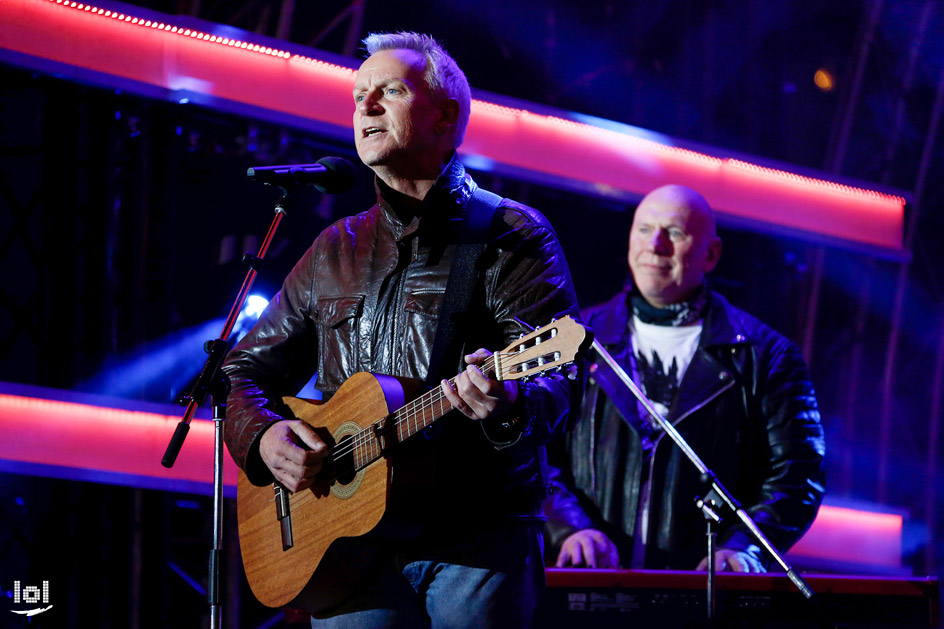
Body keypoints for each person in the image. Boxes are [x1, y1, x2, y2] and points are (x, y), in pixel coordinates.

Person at [222, 32, 580, 627]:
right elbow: (243, 373)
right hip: (346, 544)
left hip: (474, 538)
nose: (364, 108)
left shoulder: (512, 234)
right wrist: (262, 439)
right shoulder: (334, 247)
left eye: (388, 91)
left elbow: (560, 379)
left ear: (445, 115)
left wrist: (509, 400)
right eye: (358, 95)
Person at [543, 184, 825, 573]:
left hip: (703, 592)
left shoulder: (768, 355)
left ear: (711, 254)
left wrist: (746, 548)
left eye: (674, 232)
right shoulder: (574, 340)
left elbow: (798, 473)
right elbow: (531, 450)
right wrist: (569, 528)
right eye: (644, 229)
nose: (655, 245)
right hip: (590, 577)